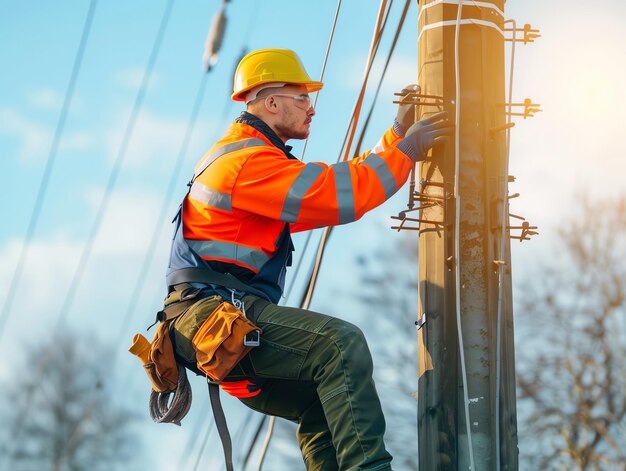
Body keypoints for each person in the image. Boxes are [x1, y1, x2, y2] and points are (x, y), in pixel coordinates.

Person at [163, 48, 451, 470]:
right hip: (215, 321)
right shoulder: (247, 162)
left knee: (318, 400)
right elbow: (342, 195)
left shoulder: (255, 163)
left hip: (218, 334)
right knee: (338, 346)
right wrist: (406, 150)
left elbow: (332, 191)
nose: (311, 107)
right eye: (301, 97)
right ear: (270, 101)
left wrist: (395, 137)